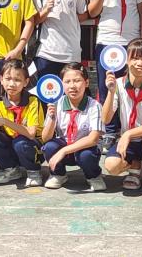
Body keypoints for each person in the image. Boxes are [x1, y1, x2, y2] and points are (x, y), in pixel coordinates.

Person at [101, 37, 142, 196]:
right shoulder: (118, 84)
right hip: (129, 142)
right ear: (126, 60)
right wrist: (111, 92)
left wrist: (128, 134)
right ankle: (136, 167)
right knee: (111, 165)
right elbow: (105, 119)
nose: (139, 63)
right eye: (135, 58)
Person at [89, 0, 142, 103]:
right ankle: (108, 120)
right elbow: (92, 12)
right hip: (106, 41)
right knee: (106, 89)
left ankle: (129, 120)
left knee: (130, 90)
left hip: (131, 42)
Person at [0, 58, 45, 188]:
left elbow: (31, 134)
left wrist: (4, 122)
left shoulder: (33, 101)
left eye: (17, 80)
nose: (12, 84)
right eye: (8, 79)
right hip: (11, 146)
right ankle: (10, 169)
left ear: (26, 82)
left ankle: (33, 171)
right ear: (1, 80)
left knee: (21, 143)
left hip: (32, 148)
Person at [40, 62, 105, 191]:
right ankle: (58, 174)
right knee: (49, 147)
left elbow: (93, 139)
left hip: (84, 148)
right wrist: (52, 118)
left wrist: (63, 151)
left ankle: (93, 176)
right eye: (67, 82)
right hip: (65, 143)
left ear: (86, 83)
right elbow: (45, 138)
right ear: (61, 84)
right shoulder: (56, 103)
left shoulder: (95, 106)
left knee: (86, 156)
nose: (72, 86)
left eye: (77, 81)